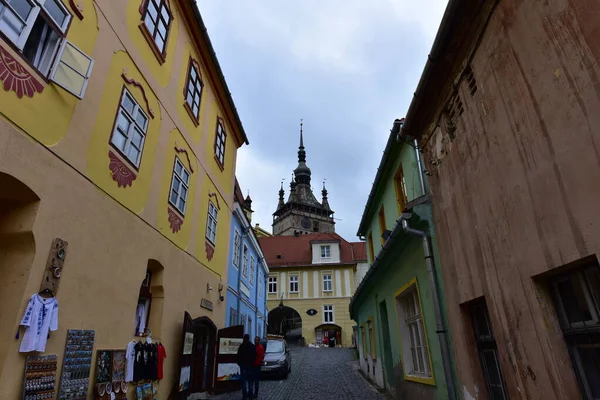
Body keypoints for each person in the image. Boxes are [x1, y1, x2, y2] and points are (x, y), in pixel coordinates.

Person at [237, 334, 256, 400]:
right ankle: (250, 395)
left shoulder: (241, 346)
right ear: (249, 338)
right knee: (250, 381)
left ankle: (244, 395)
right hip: (250, 365)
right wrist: (253, 363)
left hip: (243, 365)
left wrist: (239, 363)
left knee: (243, 381)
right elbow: (254, 355)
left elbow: (238, 355)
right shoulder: (252, 346)